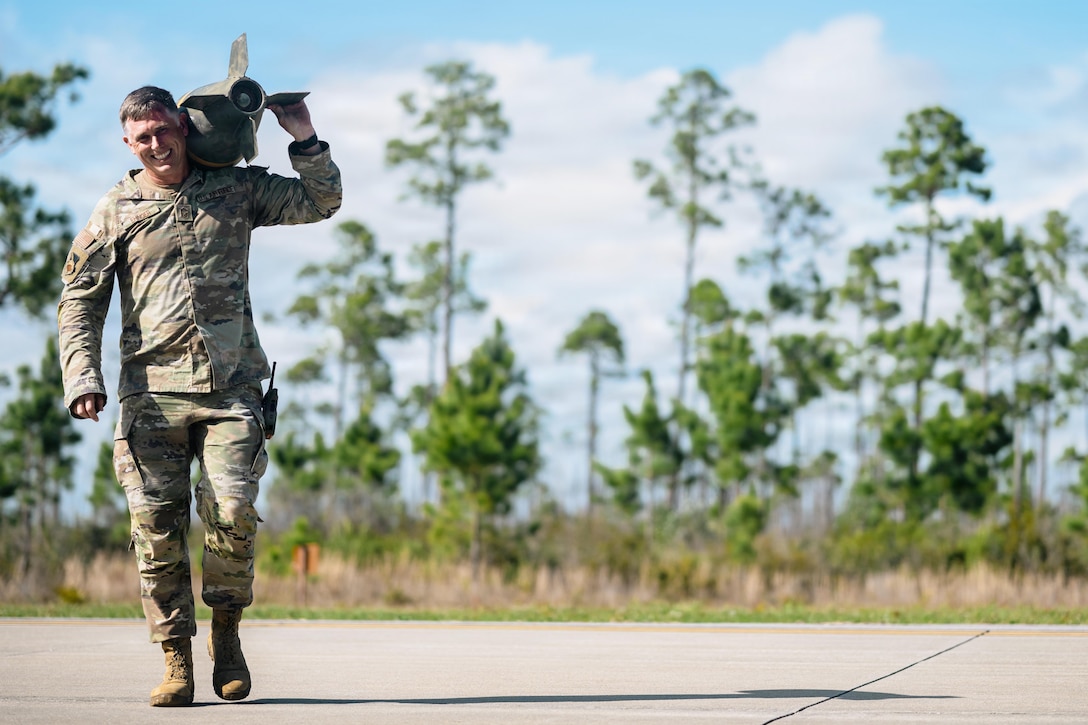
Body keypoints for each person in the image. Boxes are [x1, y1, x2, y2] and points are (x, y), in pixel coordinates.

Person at [57, 85, 342, 707]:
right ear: (127, 144)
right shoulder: (117, 209)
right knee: (155, 531)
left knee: (232, 514)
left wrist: (304, 137)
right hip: (149, 397)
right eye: (142, 137)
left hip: (231, 389)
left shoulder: (235, 189)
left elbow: (322, 202)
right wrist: (83, 375)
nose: (156, 144)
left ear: (183, 126)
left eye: (163, 130)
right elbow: (80, 298)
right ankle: (176, 659)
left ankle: (228, 632)